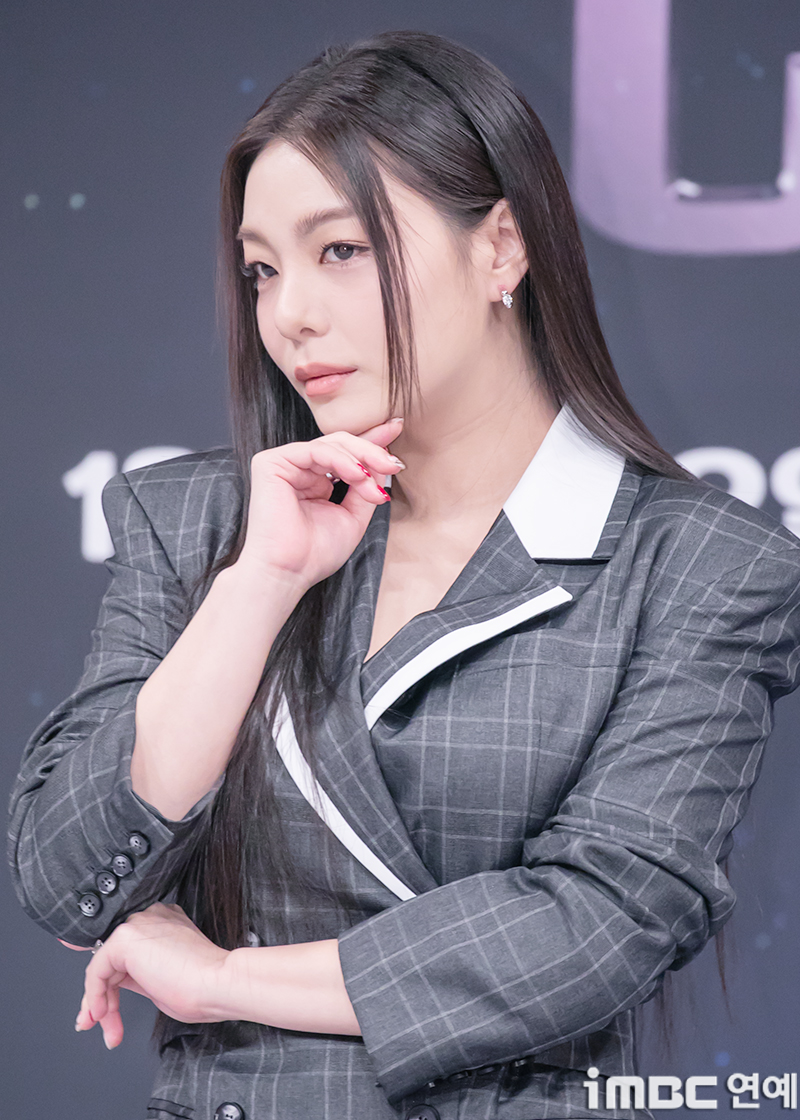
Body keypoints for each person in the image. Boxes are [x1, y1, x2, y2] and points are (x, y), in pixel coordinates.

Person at [8, 28, 800, 1120]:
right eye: (262, 269)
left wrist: (224, 980)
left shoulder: (700, 564)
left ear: (501, 249)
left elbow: (599, 926)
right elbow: (66, 876)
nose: (290, 313)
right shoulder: (201, 523)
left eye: (341, 249)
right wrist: (259, 583)